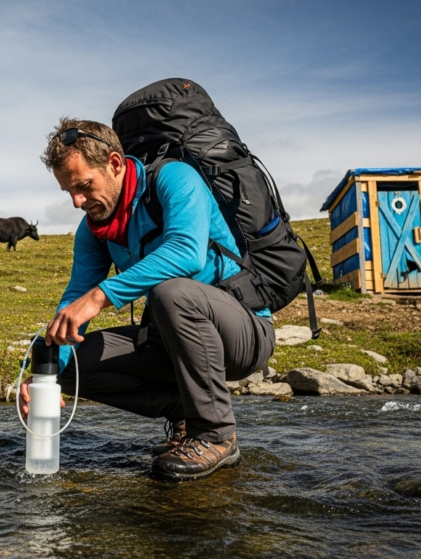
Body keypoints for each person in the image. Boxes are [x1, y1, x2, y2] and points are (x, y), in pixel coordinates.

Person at [19, 117, 275, 480]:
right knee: (65, 361)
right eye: (68, 192)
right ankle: (186, 410)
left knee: (171, 292)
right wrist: (43, 376)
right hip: (170, 342)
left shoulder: (175, 179)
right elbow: (74, 301)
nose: (77, 201)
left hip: (242, 333)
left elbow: (187, 252)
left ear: (114, 164)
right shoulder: (94, 229)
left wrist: (102, 295)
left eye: (84, 186)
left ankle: (216, 434)